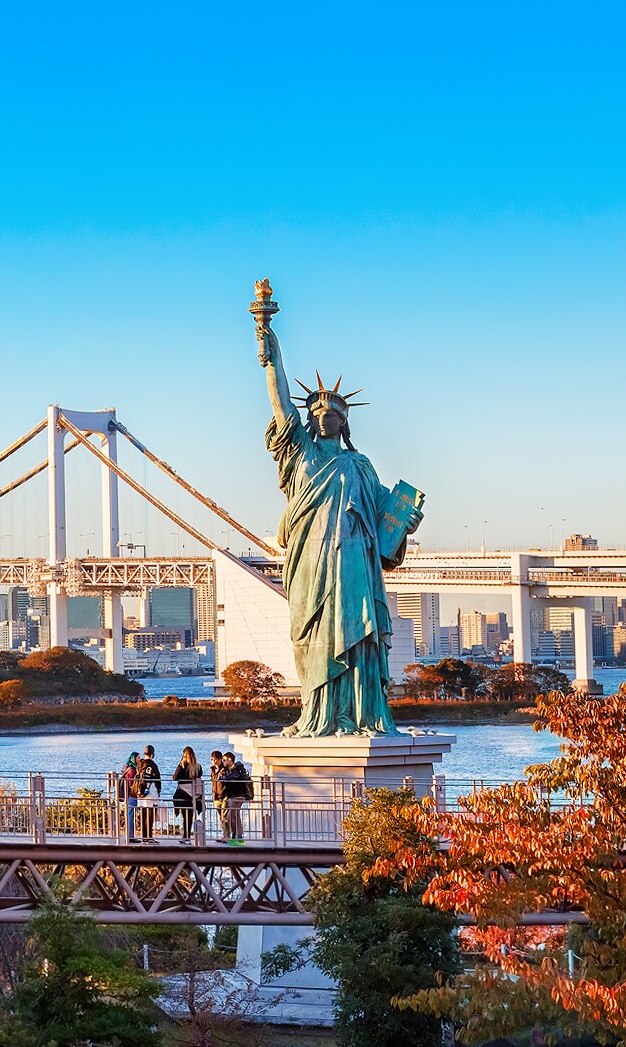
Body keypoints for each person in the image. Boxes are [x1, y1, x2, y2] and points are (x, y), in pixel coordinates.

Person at [254, 288, 422, 736]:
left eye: (335, 411)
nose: (326, 414)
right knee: (314, 635)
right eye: (319, 409)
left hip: (353, 562)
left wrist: (406, 523)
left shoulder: (361, 465)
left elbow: (388, 526)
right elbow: (280, 399)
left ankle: (362, 712)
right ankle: (319, 712)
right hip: (310, 561)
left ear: (345, 420)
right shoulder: (300, 454)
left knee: (358, 632)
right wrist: (271, 347)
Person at [219, 752, 252, 844]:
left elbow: (233, 778)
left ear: (230, 759)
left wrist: (224, 777)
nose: (223, 762)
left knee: (231, 816)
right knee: (235, 816)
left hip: (237, 796)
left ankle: (236, 836)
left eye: (224, 760)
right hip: (233, 796)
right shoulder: (231, 770)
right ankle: (238, 836)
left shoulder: (236, 770)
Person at [172, 746, 203, 843]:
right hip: (194, 795)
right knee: (189, 816)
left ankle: (185, 836)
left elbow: (175, 777)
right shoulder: (198, 766)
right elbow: (199, 776)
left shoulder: (183, 766)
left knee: (185, 815)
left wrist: (180, 764)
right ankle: (187, 836)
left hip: (183, 793)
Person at [136, 745, 162, 842]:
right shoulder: (153, 765)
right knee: (150, 816)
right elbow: (157, 779)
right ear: (152, 754)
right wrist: (159, 790)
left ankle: (144, 837)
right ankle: (149, 837)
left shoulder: (139, 764)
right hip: (151, 793)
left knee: (143, 815)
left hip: (141, 793)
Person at [117, 752, 141, 842]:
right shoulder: (132, 770)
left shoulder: (127, 769)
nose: (139, 760)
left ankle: (129, 835)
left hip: (128, 795)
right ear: (134, 759)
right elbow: (131, 783)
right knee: (131, 816)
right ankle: (130, 836)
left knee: (130, 815)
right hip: (132, 795)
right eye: (138, 758)